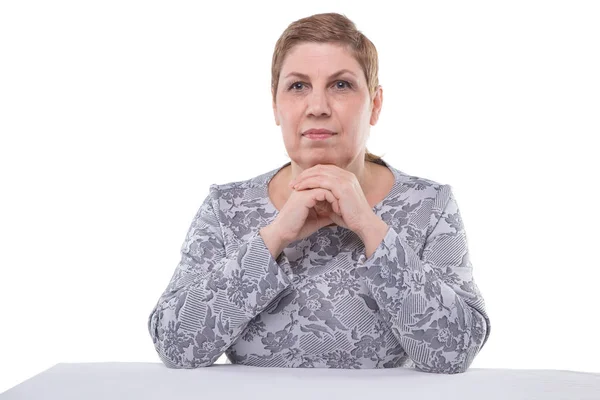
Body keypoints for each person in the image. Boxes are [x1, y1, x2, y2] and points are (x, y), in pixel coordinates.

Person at [147, 12, 491, 374]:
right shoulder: (226, 208)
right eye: (298, 86)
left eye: (341, 85)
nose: (317, 107)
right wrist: (274, 236)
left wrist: (371, 228)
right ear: (275, 105)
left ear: (374, 104)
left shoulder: (429, 205)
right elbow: (175, 346)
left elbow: (456, 351)